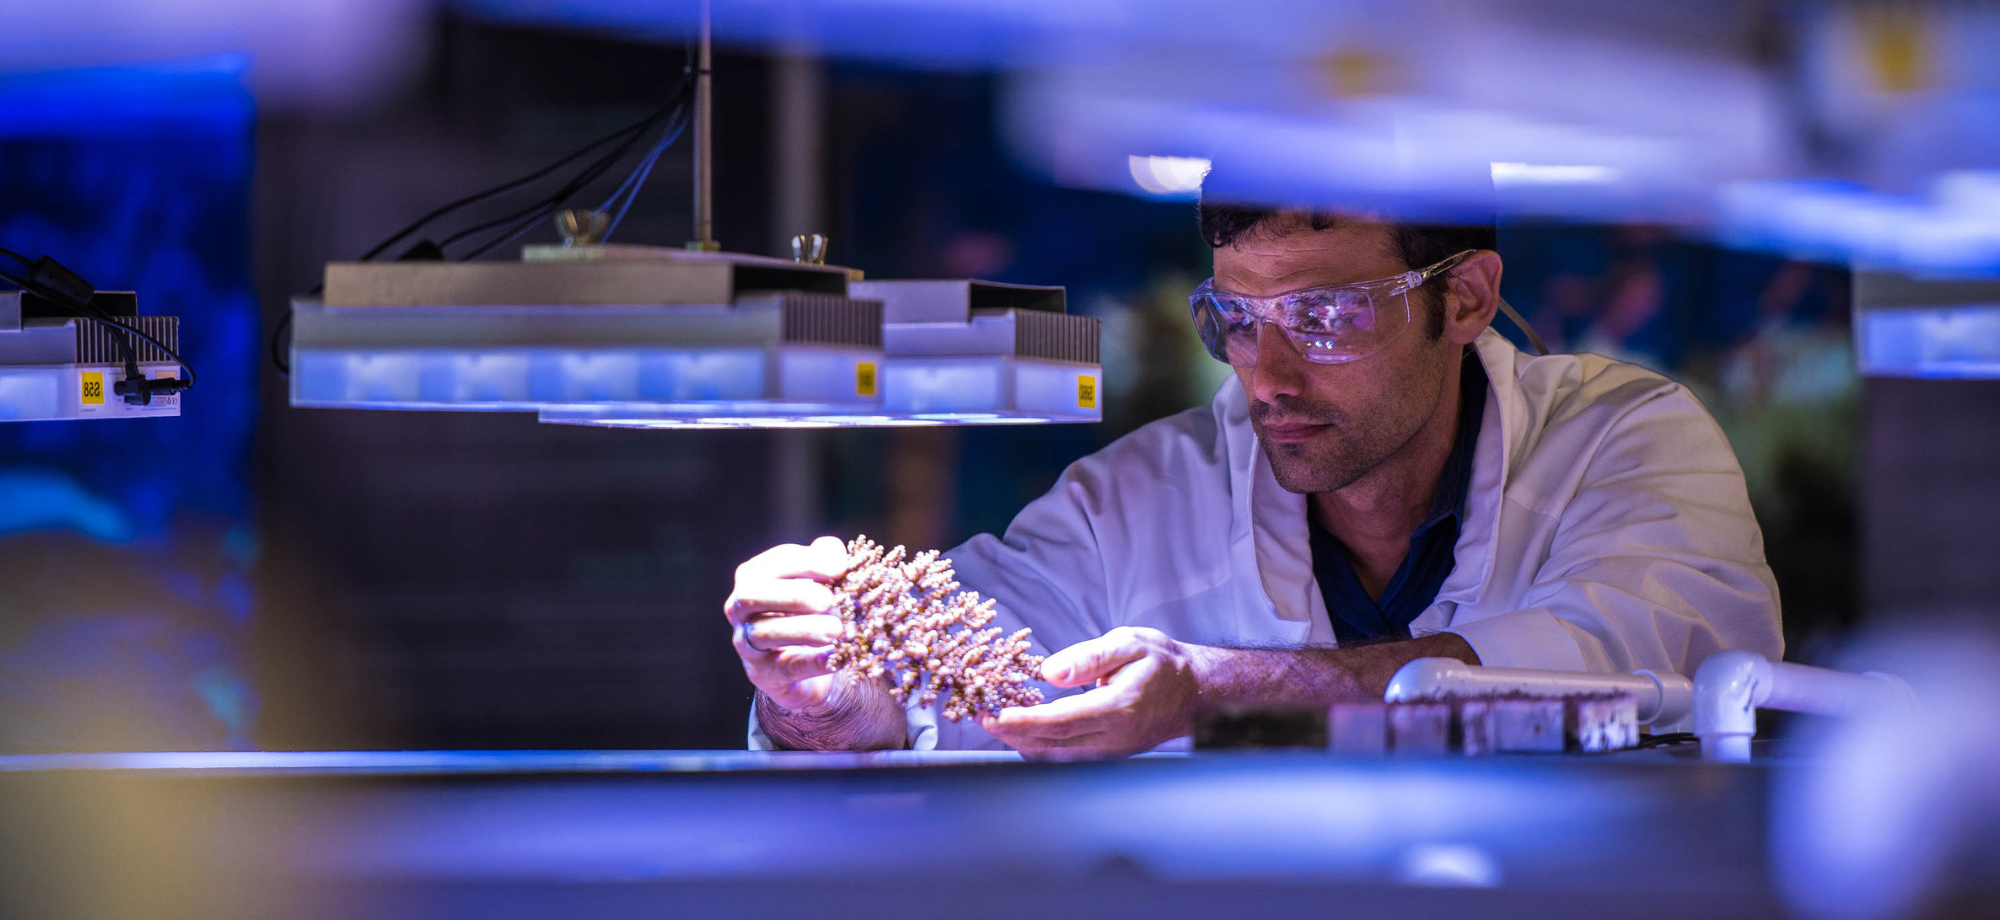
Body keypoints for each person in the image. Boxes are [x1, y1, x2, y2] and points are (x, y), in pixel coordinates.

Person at [724, 189, 1783, 759]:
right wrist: (821, 691)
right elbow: (943, 686)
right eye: (1235, 319)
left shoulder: (1626, 439)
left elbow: (1636, 669)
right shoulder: (1132, 503)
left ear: (1462, 299)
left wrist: (1208, 691)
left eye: (1323, 316)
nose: (1264, 373)